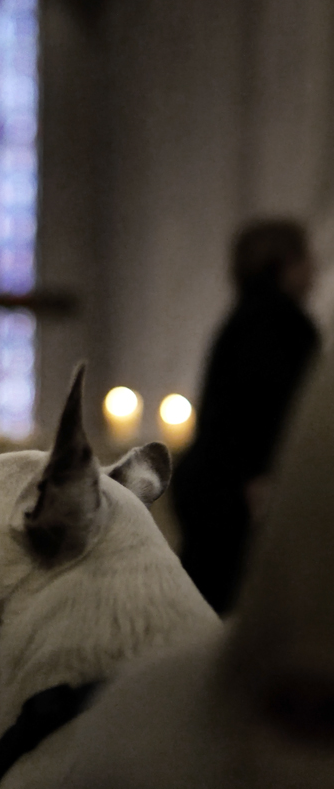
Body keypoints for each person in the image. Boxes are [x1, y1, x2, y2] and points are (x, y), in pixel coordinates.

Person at [172, 219, 320, 614]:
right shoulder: (281, 324)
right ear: (286, 263)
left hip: (214, 489)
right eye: (307, 258)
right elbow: (268, 409)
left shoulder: (241, 321)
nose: (315, 269)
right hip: (242, 498)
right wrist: (260, 477)